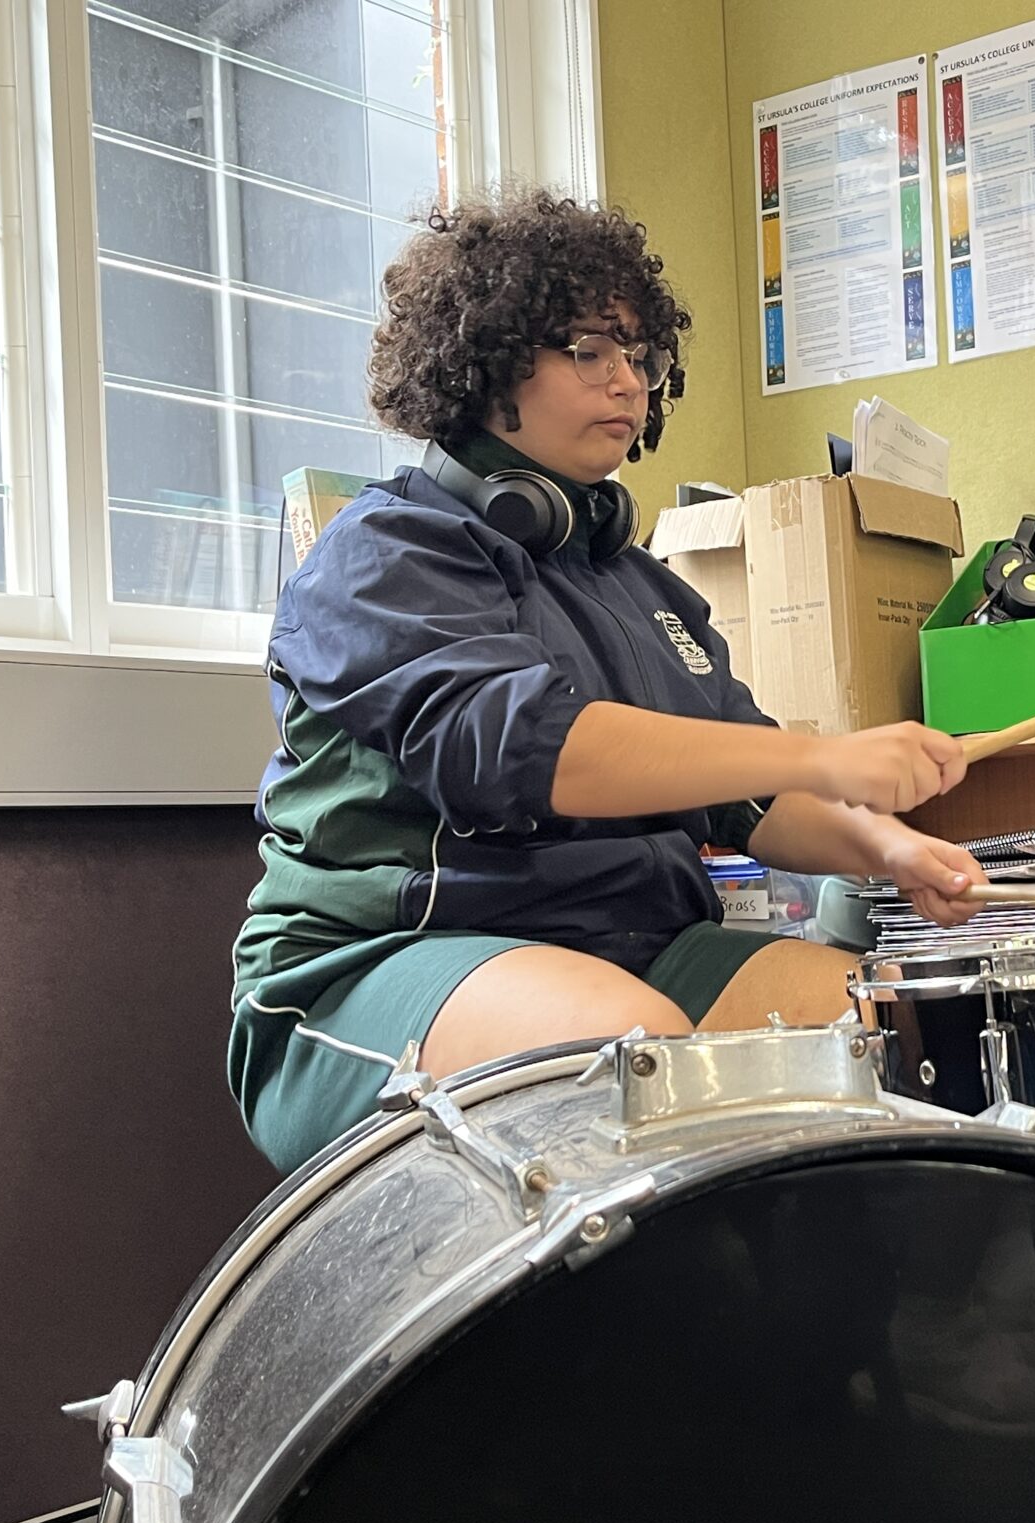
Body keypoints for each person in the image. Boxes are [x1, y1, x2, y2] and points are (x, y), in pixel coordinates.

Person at [230, 187, 985, 1173]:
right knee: (636, 1053)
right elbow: (530, 750)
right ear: (486, 360)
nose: (628, 381)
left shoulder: (641, 587)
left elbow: (751, 796)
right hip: (376, 961)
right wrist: (825, 756)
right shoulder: (383, 554)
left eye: (640, 355)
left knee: (888, 1029)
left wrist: (887, 847)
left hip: (636, 949)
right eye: (590, 349)